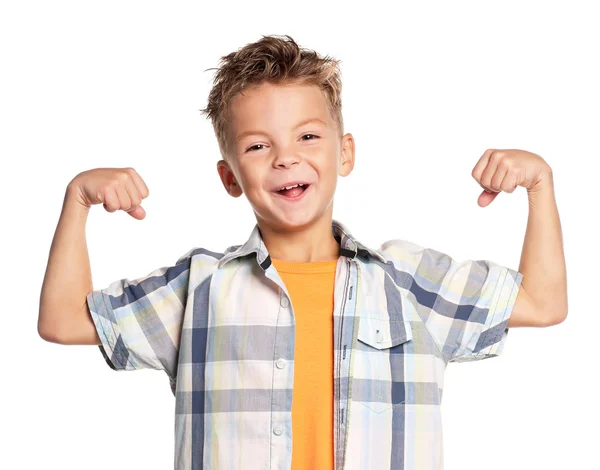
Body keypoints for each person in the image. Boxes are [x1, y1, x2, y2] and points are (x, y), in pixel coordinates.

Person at [38, 34, 568, 470]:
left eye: (308, 136)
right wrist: (77, 200)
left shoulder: (406, 281)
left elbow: (544, 304)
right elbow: (62, 320)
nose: (286, 158)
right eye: (257, 145)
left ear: (345, 152)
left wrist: (540, 186)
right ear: (229, 176)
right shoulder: (199, 287)